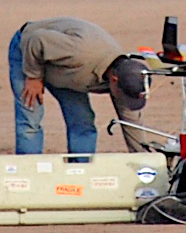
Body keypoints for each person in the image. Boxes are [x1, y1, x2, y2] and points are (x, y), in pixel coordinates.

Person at [9, 18, 152, 154]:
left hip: (66, 71)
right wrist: (33, 76)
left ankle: (80, 171)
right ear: (114, 80)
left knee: (82, 120)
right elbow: (37, 39)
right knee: (30, 120)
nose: (124, 101)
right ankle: (29, 172)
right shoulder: (81, 52)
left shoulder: (126, 78)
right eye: (124, 96)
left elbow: (131, 122)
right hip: (28, 52)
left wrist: (144, 162)